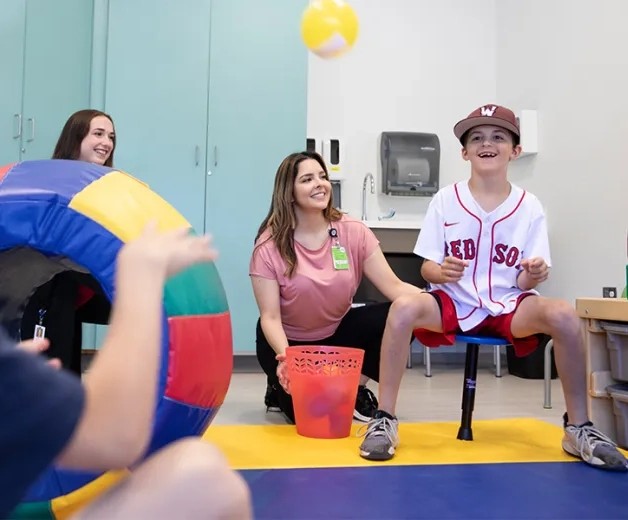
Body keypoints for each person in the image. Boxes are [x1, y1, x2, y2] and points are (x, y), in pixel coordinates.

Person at [0, 2, 253, 519]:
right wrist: (139, 280)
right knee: (202, 478)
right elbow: (115, 435)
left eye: (111, 137)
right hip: (61, 292)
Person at [358, 104, 628, 472]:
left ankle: (578, 427)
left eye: (498, 136)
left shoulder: (529, 206)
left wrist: (533, 274)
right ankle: (385, 418)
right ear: (464, 151)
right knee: (403, 307)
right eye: (477, 137)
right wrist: (440, 271)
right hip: (453, 302)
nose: (487, 143)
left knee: (563, 313)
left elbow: (524, 280)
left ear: (515, 150)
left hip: (508, 306)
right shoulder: (445, 200)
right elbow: (426, 266)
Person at [249, 150, 423, 424]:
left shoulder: (352, 231)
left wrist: (439, 303)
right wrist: (288, 360)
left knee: (407, 312)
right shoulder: (268, 246)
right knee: (309, 415)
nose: (320, 184)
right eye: (307, 179)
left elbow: (394, 287)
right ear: (289, 192)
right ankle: (276, 388)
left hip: (337, 332)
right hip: (288, 342)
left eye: (322, 176)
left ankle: (354, 387)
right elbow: (270, 318)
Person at [18, 109, 117, 375]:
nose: (106, 142)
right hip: (51, 286)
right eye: (98, 134)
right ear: (76, 138)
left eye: (110, 136)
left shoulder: (105, 186)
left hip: (83, 283)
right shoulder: (53, 181)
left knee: (148, 305)